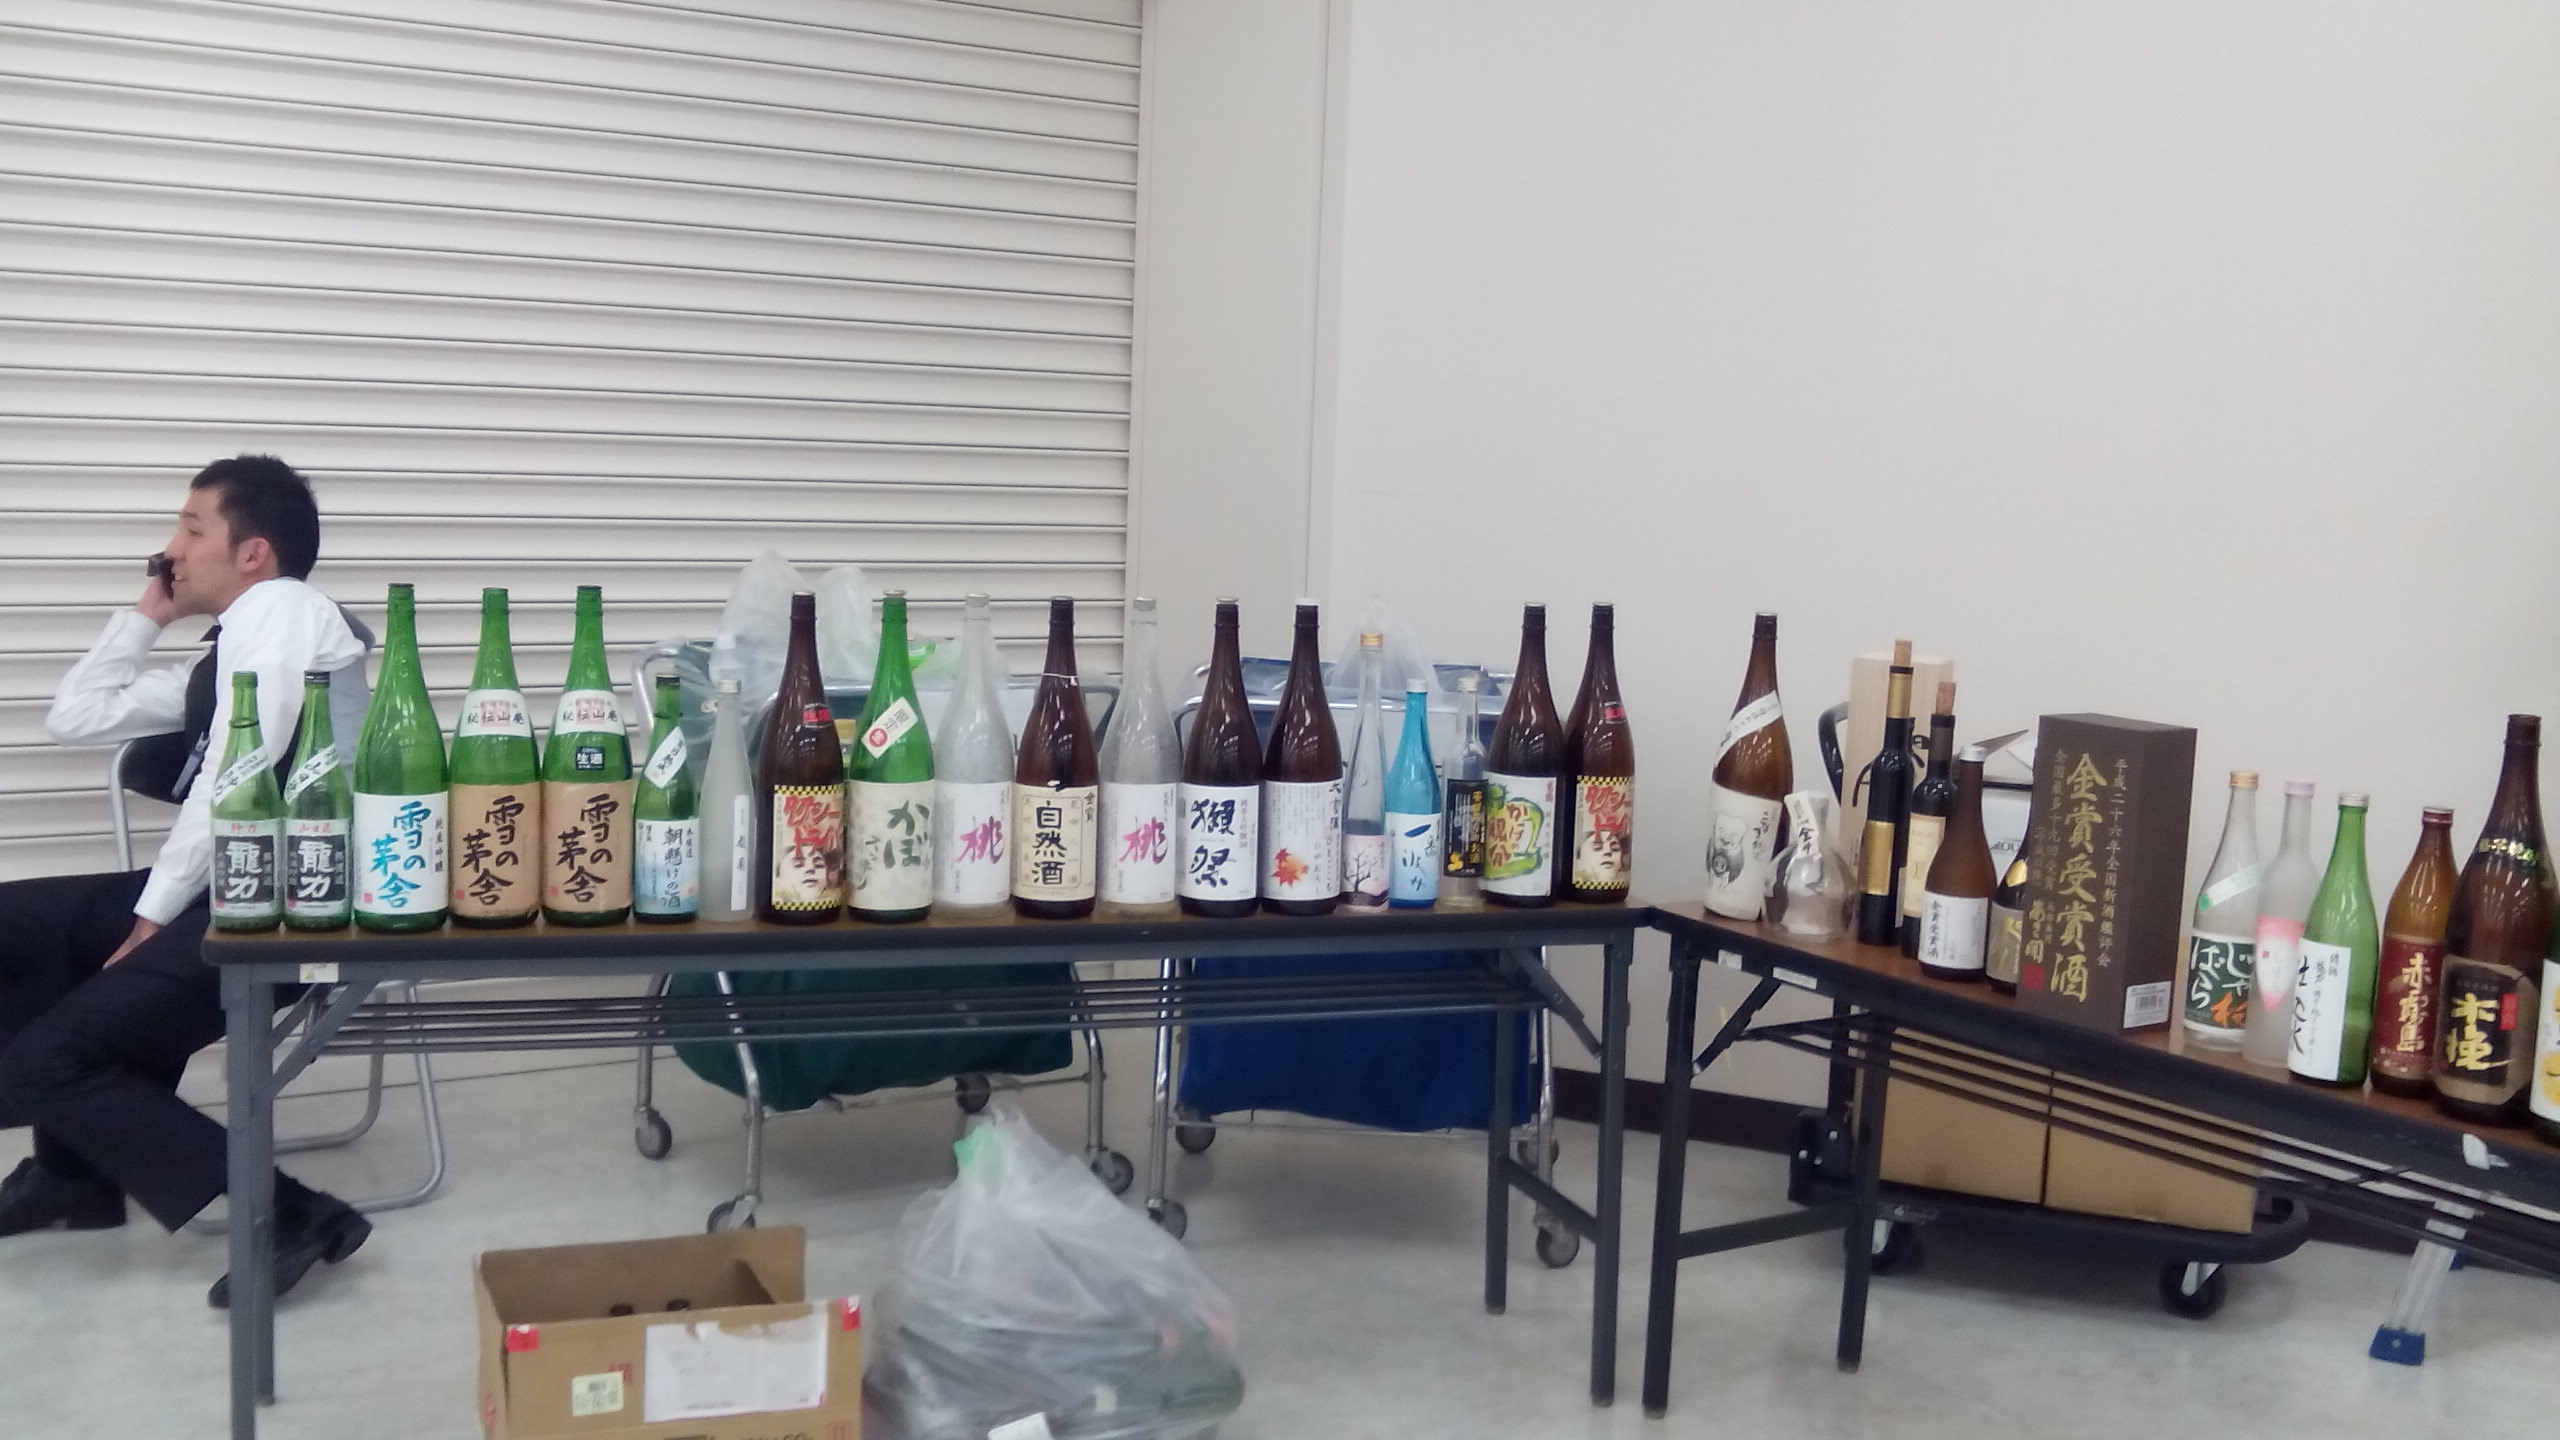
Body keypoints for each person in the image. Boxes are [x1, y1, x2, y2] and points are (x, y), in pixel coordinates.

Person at [0, 455, 376, 1309]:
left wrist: (152, 915)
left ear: (253, 553)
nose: (171, 550)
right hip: (241, 882)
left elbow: (234, 779)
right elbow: (75, 715)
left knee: (42, 1061)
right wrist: (147, 616)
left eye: (191, 528)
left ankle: (299, 1216)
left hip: (304, 904)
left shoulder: (284, 609)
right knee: (24, 928)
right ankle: (73, 1176)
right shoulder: (238, 646)